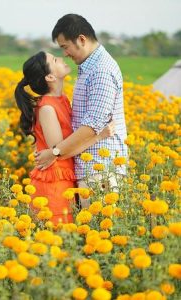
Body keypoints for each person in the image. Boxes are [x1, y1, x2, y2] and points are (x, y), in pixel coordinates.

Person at [35, 14, 128, 209]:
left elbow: (91, 127)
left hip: (100, 168)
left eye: (65, 47)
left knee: (100, 235)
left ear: (81, 40)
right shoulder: (88, 68)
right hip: (90, 168)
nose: (65, 54)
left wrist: (55, 152)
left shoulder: (101, 71)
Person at [14, 51, 114, 224]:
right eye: (54, 60)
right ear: (50, 77)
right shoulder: (47, 108)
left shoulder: (62, 99)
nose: (61, 58)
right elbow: (60, 152)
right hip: (53, 182)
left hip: (64, 178)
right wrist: (99, 136)